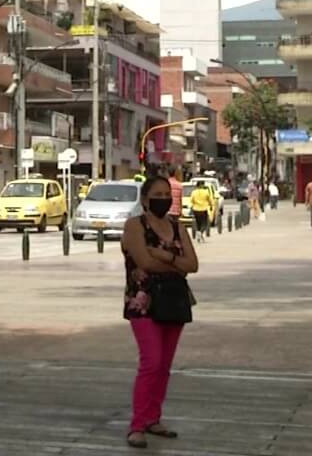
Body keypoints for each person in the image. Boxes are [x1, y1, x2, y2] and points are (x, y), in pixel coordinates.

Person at [122, 175, 198, 449]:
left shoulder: (178, 227)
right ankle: (137, 425)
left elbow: (193, 264)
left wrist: (165, 257)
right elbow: (143, 262)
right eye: (157, 194)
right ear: (144, 199)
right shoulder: (134, 226)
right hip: (143, 302)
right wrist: (177, 265)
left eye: (167, 193)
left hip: (174, 301)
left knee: (164, 366)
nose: (164, 198)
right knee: (151, 362)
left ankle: (153, 418)